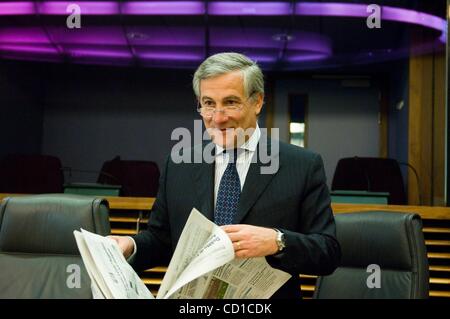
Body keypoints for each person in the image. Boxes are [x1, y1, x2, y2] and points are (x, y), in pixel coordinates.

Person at [110, 52, 341, 298]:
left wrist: (277, 241)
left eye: (231, 102)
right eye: (209, 103)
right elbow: (161, 240)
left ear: (258, 102)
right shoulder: (179, 164)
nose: (218, 118)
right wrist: (130, 245)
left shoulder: (302, 165)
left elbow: (327, 252)